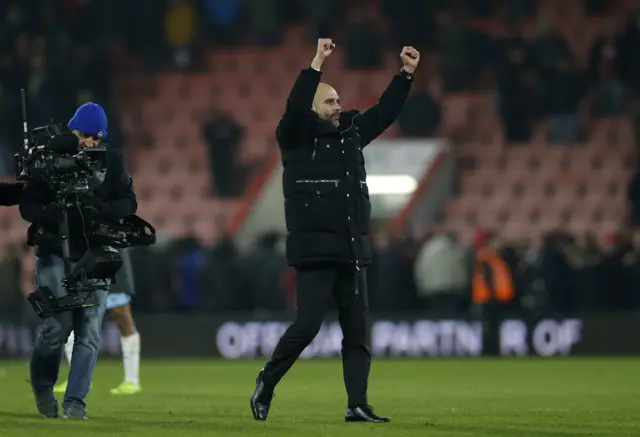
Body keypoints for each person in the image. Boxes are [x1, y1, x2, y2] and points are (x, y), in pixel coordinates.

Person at [250, 39, 419, 423]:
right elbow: (294, 108)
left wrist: (405, 75)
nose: (338, 106)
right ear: (313, 106)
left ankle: (357, 404)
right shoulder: (294, 136)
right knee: (307, 327)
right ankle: (267, 381)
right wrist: (316, 64)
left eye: (339, 100)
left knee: (357, 330)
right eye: (330, 101)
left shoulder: (351, 134)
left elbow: (385, 113)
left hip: (351, 247)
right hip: (314, 249)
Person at [20, 102, 137, 419]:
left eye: (96, 139)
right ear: (71, 131)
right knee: (58, 328)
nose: (90, 143)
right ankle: (44, 385)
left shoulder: (111, 163)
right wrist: (49, 214)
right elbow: (27, 204)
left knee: (90, 332)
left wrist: (100, 209)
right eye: (84, 135)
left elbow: (129, 202)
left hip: (94, 254)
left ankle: (75, 403)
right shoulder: (49, 157)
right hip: (55, 251)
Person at [54, 248, 141, 396]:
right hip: (82, 265)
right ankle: (78, 377)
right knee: (73, 320)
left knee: (122, 319)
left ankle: (132, 380)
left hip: (112, 263)